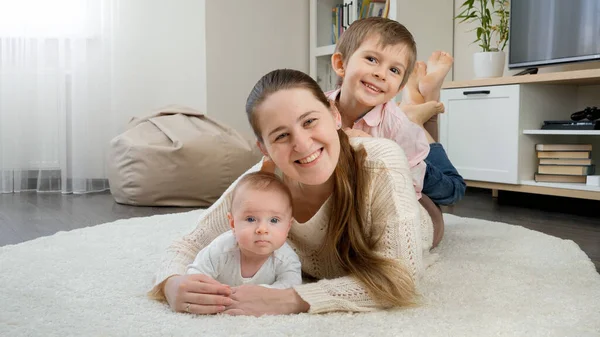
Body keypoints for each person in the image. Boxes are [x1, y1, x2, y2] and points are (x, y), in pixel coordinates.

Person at [148, 68, 441, 316]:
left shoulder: (383, 163)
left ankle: (420, 111)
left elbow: (400, 278)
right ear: (264, 149)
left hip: (423, 209)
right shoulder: (262, 183)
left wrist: (288, 299)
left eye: (310, 121)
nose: (301, 144)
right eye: (281, 135)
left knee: (442, 178)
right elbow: (186, 244)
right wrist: (172, 284)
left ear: (334, 115)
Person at [329, 17, 466, 206]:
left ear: (398, 88)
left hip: (409, 168)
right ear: (340, 64)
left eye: (394, 70)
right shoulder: (315, 109)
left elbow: (406, 190)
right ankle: (417, 105)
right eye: (371, 59)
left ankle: (426, 102)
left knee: (454, 190)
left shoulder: (399, 126)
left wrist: (378, 153)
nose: (381, 74)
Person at [186, 171, 302, 291]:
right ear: (233, 224)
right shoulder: (220, 250)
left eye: (274, 220)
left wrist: (262, 292)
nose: (262, 229)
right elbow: (196, 274)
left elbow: (292, 286)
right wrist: (212, 291)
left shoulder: (286, 258)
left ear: (288, 226)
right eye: (251, 219)